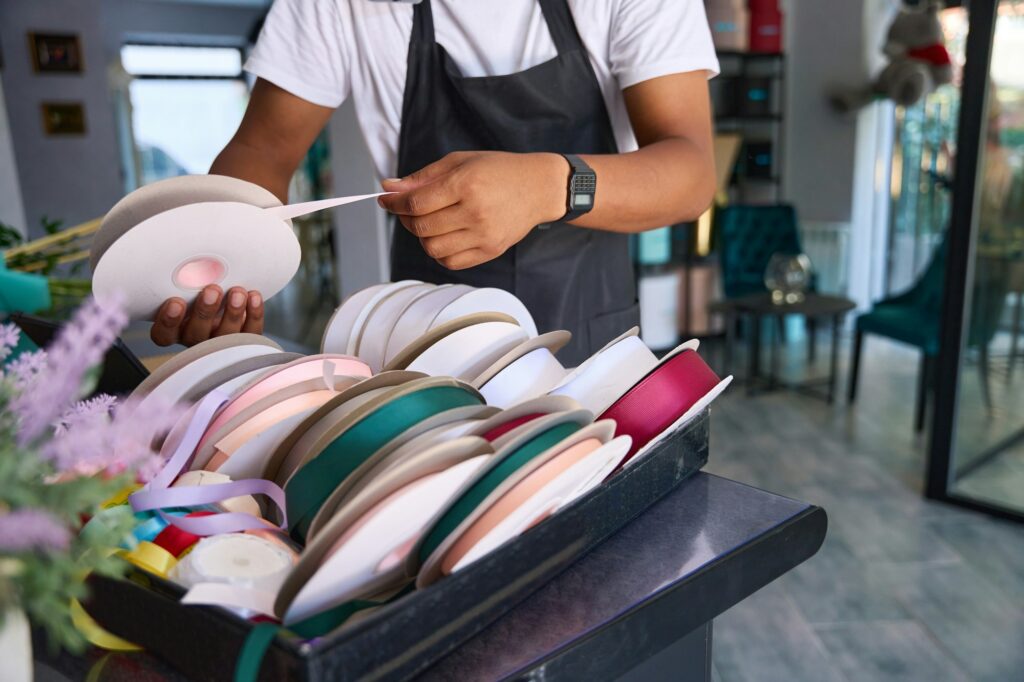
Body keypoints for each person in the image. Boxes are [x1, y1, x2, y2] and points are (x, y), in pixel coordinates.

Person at [150, 0, 719, 364]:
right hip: (425, 343)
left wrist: (549, 185)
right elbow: (262, 149)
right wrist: (217, 263)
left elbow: (691, 172)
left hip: (589, 345)